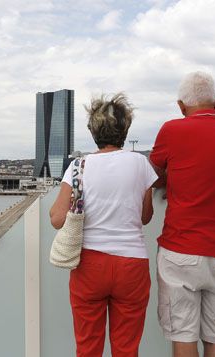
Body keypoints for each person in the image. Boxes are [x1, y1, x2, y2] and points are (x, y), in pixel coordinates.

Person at [149, 71, 215, 357]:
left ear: (181, 106)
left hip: (180, 250)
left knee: (184, 337)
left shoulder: (172, 130)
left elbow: (152, 175)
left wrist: (173, 176)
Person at [49, 93, 157, 357]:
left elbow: (56, 218)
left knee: (87, 347)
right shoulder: (141, 163)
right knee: (126, 348)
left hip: (90, 264)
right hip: (132, 265)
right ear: (125, 129)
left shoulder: (78, 166)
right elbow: (145, 216)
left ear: (94, 131)